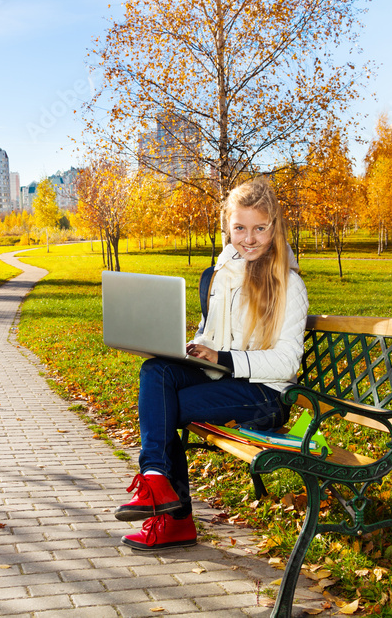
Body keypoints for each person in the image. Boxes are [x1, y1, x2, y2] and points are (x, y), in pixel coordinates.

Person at [117, 177, 309, 550]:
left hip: (266, 395)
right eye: (240, 228)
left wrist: (221, 358)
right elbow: (209, 332)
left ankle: (175, 519)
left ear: (275, 228)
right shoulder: (222, 275)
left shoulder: (289, 284)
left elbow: (286, 363)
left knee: (165, 408)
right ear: (227, 228)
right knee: (155, 371)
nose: (249, 239)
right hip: (223, 376)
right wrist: (193, 347)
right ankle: (156, 477)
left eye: (259, 229)